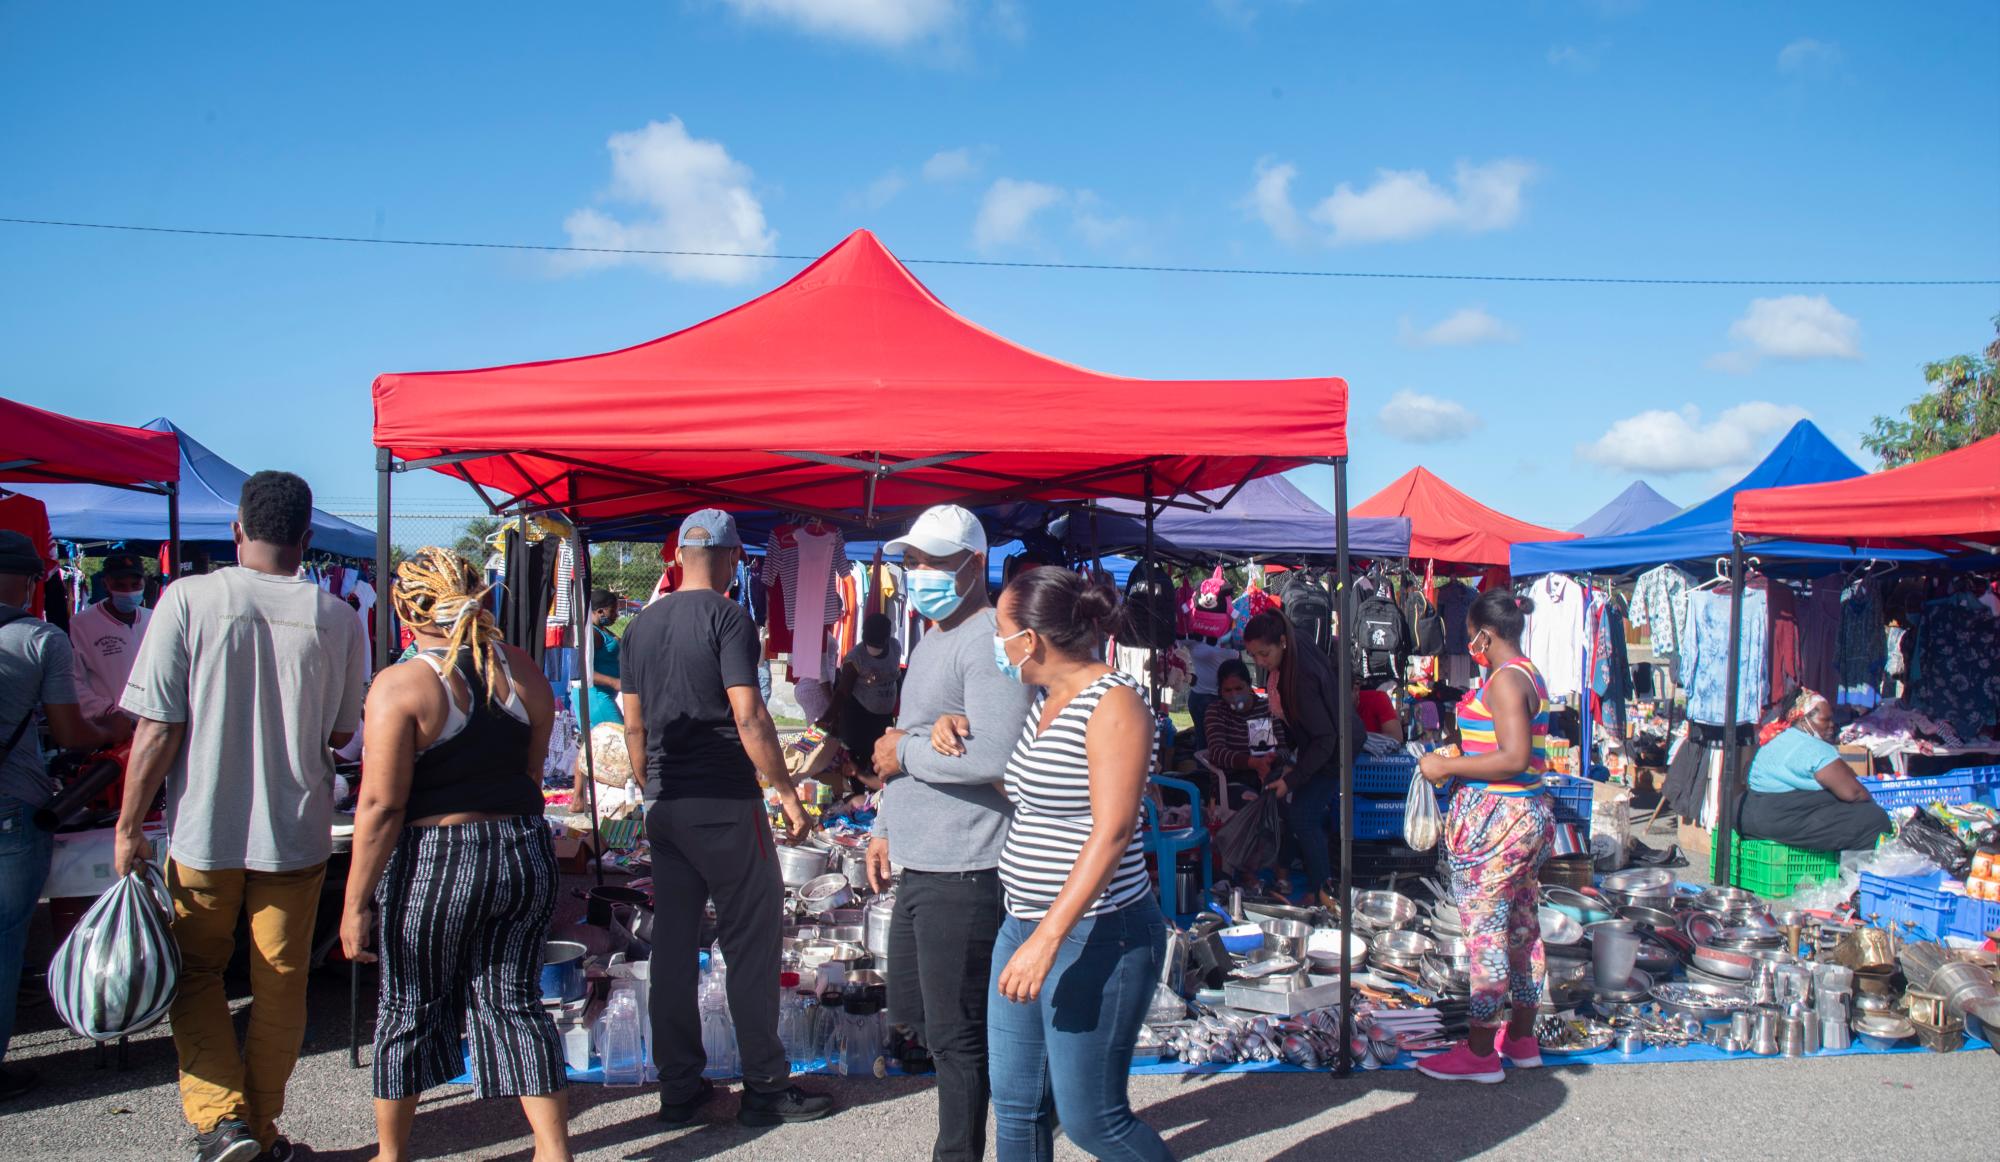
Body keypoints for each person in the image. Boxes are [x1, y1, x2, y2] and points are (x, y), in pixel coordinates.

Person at [114, 471, 369, 1162]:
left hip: (204, 828)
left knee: (195, 972)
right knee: (280, 981)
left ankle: (222, 1122)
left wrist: (129, 826)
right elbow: (341, 732)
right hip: (295, 832)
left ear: (237, 530)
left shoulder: (188, 599)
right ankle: (258, 1125)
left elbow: (157, 728)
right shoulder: (339, 617)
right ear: (307, 538)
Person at [340, 548, 570, 1162]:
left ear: (406, 613)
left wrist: (356, 902)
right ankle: (554, 1152)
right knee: (516, 1002)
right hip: (522, 850)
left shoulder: (401, 685)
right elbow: (530, 772)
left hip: (436, 859)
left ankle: (391, 1155)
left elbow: (381, 805)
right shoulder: (522, 669)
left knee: (408, 1006)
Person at [620, 509, 831, 1128]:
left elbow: (633, 725)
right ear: (734, 557)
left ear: (678, 556)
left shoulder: (640, 625)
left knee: (672, 948)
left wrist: (651, 785)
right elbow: (750, 714)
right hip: (724, 803)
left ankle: (680, 1088)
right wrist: (787, 794)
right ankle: (764, 1086)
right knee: (750, 945)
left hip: (665, 804)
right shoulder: (729, 617)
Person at [988, 567, 1173, 1162]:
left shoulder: (1116, 704)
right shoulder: (1046, 698)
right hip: (1024, 922)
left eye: (1000, 632)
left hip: (1096, 933)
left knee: (1094, 1121)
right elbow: (1036, 793)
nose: (997, 645)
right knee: (1016, 1105)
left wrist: (1046, 940)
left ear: (1030, 639)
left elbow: (1113, 831)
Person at [865, 505, 1031, 1162]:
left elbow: (996, 755)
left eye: (934, 560)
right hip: (922, 860)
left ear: (974, 564)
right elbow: (901, 741)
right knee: (923, 1024)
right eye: (913, 560)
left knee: (959, 1039)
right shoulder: (933, 637)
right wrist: (884, 824)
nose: (919, 572)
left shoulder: (987, 642)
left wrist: (903, 753)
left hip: (967, 865)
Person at [1, 530, 129, 1102]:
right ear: (29, 582)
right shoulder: (38, 639)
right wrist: (116, 727)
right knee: (5, 940)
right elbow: (73, 732)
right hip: (13, 804)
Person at [1414, 590, 1557, 1085]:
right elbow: (1505, 748)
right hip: (1524, 817)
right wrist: (1464, 752)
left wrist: (1447, 767)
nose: (1468, 644)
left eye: (1470, 636)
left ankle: (1479, 1053)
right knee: (1521, 928)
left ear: (1485, 636)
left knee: (1487, 935)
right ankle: (1520, 1039)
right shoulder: (1528, 673)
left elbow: (1514, 757)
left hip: (1498, 821)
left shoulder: (1505, 680)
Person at [1240, 609, 1348, 909]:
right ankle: (1314, 884)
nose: (1260, 662)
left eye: (1264, 654)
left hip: (1333, 748)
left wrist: (1292, 778)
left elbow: (1325, 738)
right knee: (1298, 812)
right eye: (1254, 655)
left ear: (1282, 643)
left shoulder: (1301, 677)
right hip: (1317, 745)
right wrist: (1290, 763)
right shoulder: (1292, 645)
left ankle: (1324, 893)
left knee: (1304, 815)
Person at [1739, 687, 1891, 852]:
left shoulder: (1776, 741)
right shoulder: (1815, 748)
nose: (1832, 725)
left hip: (1748, 817)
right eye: (1826, 720)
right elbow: (1854, 793)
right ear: (1804, 721)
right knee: (1874, 818)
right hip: (1778, 819)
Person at [1201, 660, 1292, 893]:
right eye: (1227, 690)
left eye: (1238, 688)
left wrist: (1272, 758)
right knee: (1255, 806)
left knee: (1287, 806)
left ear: (1249, 686)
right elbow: (1217, 753)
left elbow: (1284, 749)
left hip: (1268, 776)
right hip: (1232, 781)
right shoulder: (1216, 712)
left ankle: (1281, 873)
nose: (1234, 695)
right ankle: (1248, 873)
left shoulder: (1266, 708)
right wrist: (1251, 762)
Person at [819, 612, 901, 792]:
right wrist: (827, 718)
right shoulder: (855, 658)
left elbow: (897, 678)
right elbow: (842, 692)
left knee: (880, 759)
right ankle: (858, 797)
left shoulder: (895, 647)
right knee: (858, 762)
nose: (874, 648)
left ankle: (878, 798)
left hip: (883, 718)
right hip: (859, 718)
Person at [68, 552, 153, 720]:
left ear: (144, 582)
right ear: (105, 584)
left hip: (153, 721)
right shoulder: (81, 624)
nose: (129, 592)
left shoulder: (154, 618)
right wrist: (107, 711)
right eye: (120, 586)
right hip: (109, 723)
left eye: (135, 585)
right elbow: (73, 681)